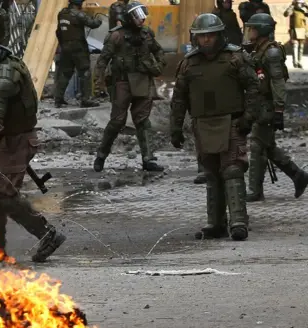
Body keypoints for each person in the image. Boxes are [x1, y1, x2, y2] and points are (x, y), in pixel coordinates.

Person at [0, 31, 67, 263]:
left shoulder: (3, 78)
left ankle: (48, 234)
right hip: (6, 141)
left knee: (6, 195)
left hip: (17, 142)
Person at [170, 13, 260, 241]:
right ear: (195, 38)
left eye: (210, 36)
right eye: (202, 36)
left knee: (232, 169)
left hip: (231, 121)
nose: (206, 40)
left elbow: (253, 89)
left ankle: (238, 220)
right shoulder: (188, 64)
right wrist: (176, 127)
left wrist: (248, 118)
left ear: (219, 35)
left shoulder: (236, 58)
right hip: (203, 125)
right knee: (211, 173)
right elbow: (179, 98)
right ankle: (216, 223)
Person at [242, 13, 308, 202]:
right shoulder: (259, 49)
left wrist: (279, 109)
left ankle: (255, 191)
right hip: (258, 104)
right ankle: (298, 175)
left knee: (257, 144)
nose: (250, 32)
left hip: (267, 105)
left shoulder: (271, 52)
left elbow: (278, 82)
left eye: (253, 28)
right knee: (267, 146)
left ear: (262, 30)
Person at [93, 1, 166, 172]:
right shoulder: (116, 36)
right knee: (117, 121)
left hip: (142, 80)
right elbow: (102, 60)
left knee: (142, 121)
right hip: (122, 82)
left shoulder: (146, 34)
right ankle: (101, 156)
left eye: (142, 15)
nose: (142, 19)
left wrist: (159, 66)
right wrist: (99, 84)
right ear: (128, 18)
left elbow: (159, 50)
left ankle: (148, 159)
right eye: (137, 16)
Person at [55, 0, 103, 108]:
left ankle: (58, 100)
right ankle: (86, 100)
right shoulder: (78, 14)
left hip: (65, 48)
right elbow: (93, 24)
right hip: (78, 49)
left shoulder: (62, 14)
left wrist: (63, 44)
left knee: (65, 74)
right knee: (85, 73)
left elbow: (58, 32)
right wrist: (99, 19)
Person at [284, 0, 308, 68]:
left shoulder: (303, 11)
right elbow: (285, 14)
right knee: (295, 46)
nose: (299, 5)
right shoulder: (293, 10)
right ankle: (295, 62)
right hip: (294, 30)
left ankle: (300, 61)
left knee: (301, 47)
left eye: (300, 3)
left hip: (302, 30)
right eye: (298, 3)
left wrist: (306, 5)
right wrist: (291, 6)